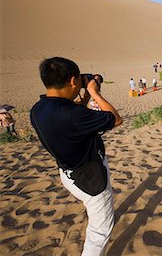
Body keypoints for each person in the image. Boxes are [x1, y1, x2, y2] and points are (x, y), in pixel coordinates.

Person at [30, 57, 122, 256]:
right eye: (79, 81)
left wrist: (84, 98)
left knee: (96, 211)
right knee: (100, 231)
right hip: (90, 177)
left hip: (67, 173)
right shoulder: (73, 115)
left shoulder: (37, 110)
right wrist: (94, 92)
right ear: (73, 81)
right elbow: (115, 120)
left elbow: (71, 116)